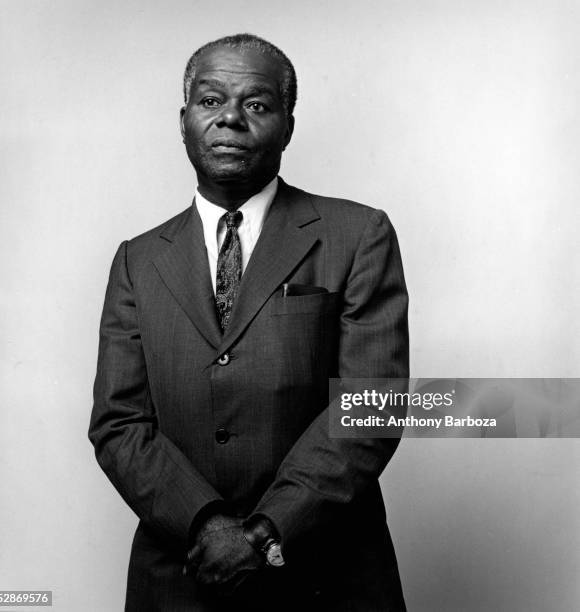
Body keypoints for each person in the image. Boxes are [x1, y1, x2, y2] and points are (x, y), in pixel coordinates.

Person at [89, 33, 409, 611]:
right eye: (211, 101)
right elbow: (119, 424)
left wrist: (265, 533)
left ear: (287, 125)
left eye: (256, 104)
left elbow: (372, 406)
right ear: (183, 119)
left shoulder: (358, 235)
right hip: (181, 574)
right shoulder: (138, 260)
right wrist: (206, 524)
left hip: (326, 574)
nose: (230, 118)